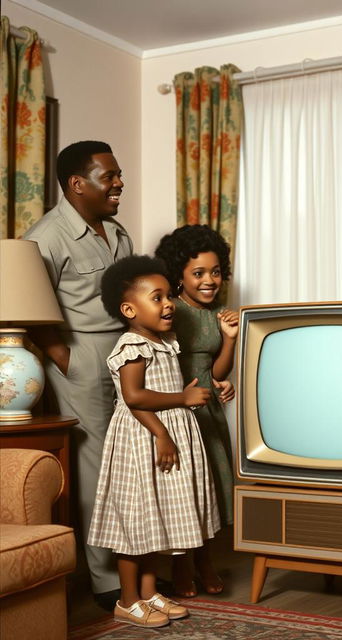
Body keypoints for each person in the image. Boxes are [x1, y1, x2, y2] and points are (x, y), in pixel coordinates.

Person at [24, 140, 133, 608]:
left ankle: (137, 572)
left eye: (117, 174)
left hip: (129, 356)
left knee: (132, 464)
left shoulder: (118, 231)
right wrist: (65, 359)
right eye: (108, 176)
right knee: (95, 471)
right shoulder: (46, 235)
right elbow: (32, 307)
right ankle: (106, 580)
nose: (118, 183)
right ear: (76, 183)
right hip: (82, 360)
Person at [88, 255, 220, 628]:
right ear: (130, 309)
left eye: (168, 297)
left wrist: (182, 398)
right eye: (157, 298)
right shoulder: (132, 345)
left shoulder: (165, 341)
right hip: (142, 439)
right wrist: (178, 406)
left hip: (162, 435)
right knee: (135, 524)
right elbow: (134, 397)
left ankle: (148, 594)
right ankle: (127, 601)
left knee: (154, 521)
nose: (168, 304)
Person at [155, 224, 237, 597]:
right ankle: (183, 564)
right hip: (177, 408)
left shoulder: (219, 313)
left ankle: (204, 562)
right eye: (198, 273)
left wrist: (230, 341)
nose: (209, 280)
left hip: (208, 412)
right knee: (184, 490)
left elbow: (217, 371)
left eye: (216, 271)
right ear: (179, 275)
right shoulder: (170, 311)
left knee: (209, 490)